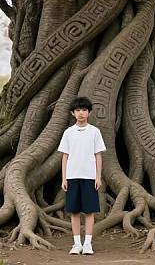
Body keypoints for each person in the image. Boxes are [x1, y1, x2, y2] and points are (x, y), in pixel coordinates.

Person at [58, 96, 106, 255]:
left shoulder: (95, 132)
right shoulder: (68, 133)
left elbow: (98, 155)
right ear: (73, 113)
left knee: (90, 211)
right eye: (78, 110)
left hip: (89, 177)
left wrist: (98, 177)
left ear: (89, 113)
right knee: (74, 211)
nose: (81, 113)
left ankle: (88, 244)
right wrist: (64, 178)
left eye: (84, 110)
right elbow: (65, 156)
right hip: (72, 177)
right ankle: (76, 243)